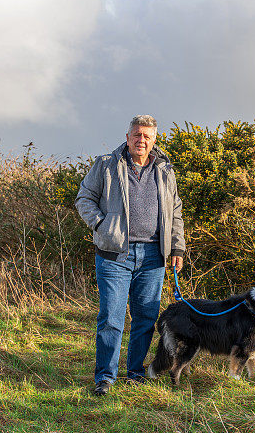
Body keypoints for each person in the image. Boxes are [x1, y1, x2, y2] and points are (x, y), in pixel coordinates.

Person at [75, 115, 185, 396]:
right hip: (115, 254)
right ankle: (105, 378)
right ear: (127, 137)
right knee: (111, 317)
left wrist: (177, 247)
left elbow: (174, 211)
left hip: (153, 256)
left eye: (147, 136)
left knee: (145, 319)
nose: (141, 140)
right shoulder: (106, 165)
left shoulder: (164, 169)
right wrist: (102, 225)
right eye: (137, 135)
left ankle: (135, 373)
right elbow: (84, 198)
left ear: (154, 140)